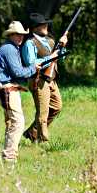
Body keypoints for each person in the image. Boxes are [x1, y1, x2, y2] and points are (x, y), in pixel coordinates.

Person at [0, 21, 41, 162]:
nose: (20, 37)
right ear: (11, 35)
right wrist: (33, 68)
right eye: (17, 35)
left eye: (22, 35)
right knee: (18, 123)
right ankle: (9, 157)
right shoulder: (9, 49)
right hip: (7, 90)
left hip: (8, 89)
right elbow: (18, 72)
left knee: (11, 123)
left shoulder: (11, 48)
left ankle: (8, 156)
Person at [21, 13, 66, 143]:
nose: (46, 25)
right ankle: (43, 141)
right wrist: (51, 57)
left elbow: (61, 58)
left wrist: (62, 46)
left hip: (51, 79)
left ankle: (32, 133)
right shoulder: (29, 43)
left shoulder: (50, 41)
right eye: (42, 24)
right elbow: (32, 63)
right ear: (34, 27)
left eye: (45, 23)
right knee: (43, 112)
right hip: (38, 79)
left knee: (57, 107)